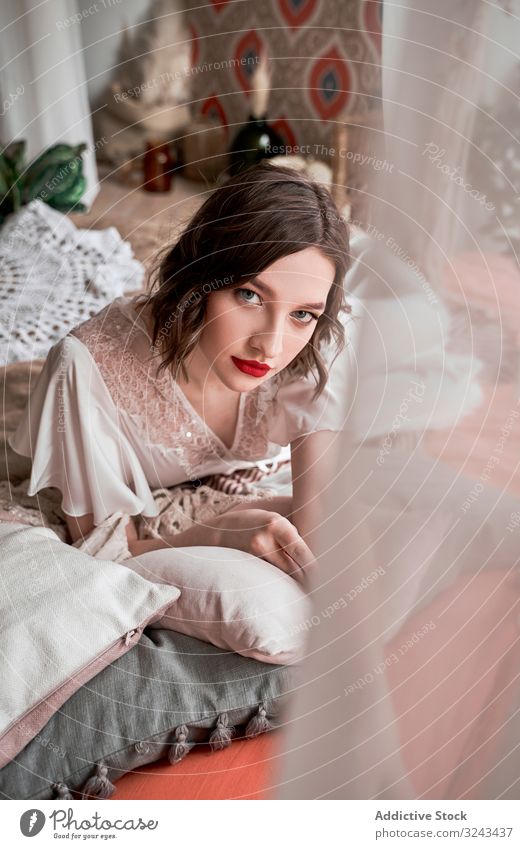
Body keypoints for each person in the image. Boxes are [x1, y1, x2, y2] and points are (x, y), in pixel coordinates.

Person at [9, 163, 354, 581]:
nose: (271, 345)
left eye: (301, 313)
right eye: (249, 294)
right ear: (202, 277)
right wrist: (221, 535)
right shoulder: (87, 368)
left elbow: (318, 533)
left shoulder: (320, 341)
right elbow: (104, 547)